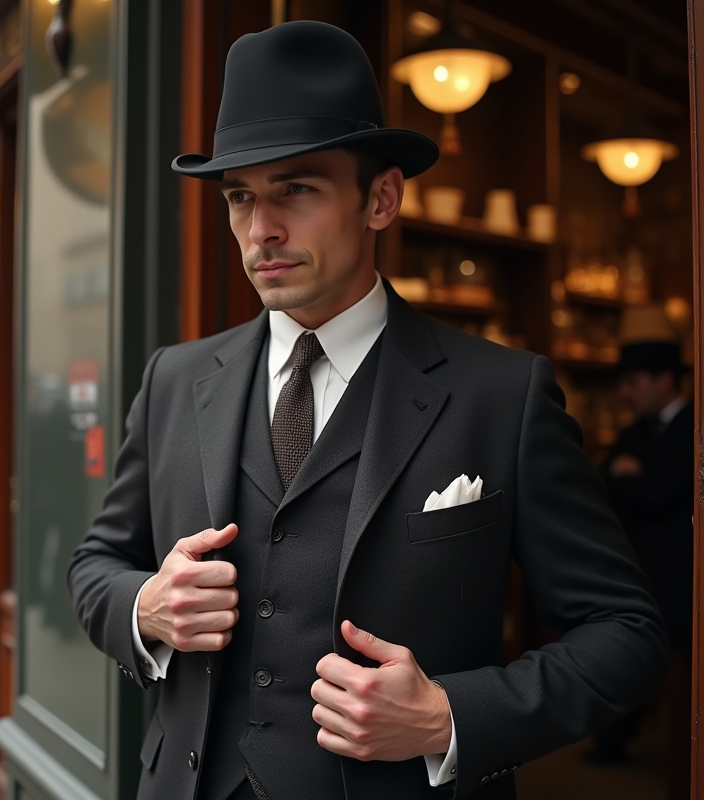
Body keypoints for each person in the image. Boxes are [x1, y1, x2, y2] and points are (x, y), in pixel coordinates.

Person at [68, 21, 668, 800]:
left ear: (381, 197)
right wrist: (144, 605)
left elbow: (627, 635)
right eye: (240, 197)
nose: (261, 230)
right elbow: (94, 567)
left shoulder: (502, 395)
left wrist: (449, 717)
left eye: (297, 190)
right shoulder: (176, 379)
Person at [589, 305, 693, 788]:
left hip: (682, 577)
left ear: (663, 380)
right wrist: (630, 478)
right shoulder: (635, 431)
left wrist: (632, 478)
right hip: (637, 568)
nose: (625, 394)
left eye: (633, 382)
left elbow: (658, 492)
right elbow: (603, 484)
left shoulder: (696, 423)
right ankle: (613, 741)